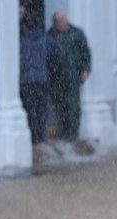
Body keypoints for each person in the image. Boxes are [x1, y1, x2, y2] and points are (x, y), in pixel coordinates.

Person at [47, 10, 92, 152]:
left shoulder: (77, 34)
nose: (60, 23)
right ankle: (65, 132)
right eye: (57, 21)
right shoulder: (50, 35)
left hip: (72, 76)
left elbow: (85, 52)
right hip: (56, 77)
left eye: (62, 20)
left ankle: (72, 134)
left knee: (72, 104)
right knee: (60, 104)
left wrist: (85, 69)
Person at [18, 4, 51, 153]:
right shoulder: (44, 38)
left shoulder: (21, 39)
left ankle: (34, 137)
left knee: (31, 110)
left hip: (26, 80)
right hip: (41, 79)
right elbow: (55, 49)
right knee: (40, 110)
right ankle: (40, 137)